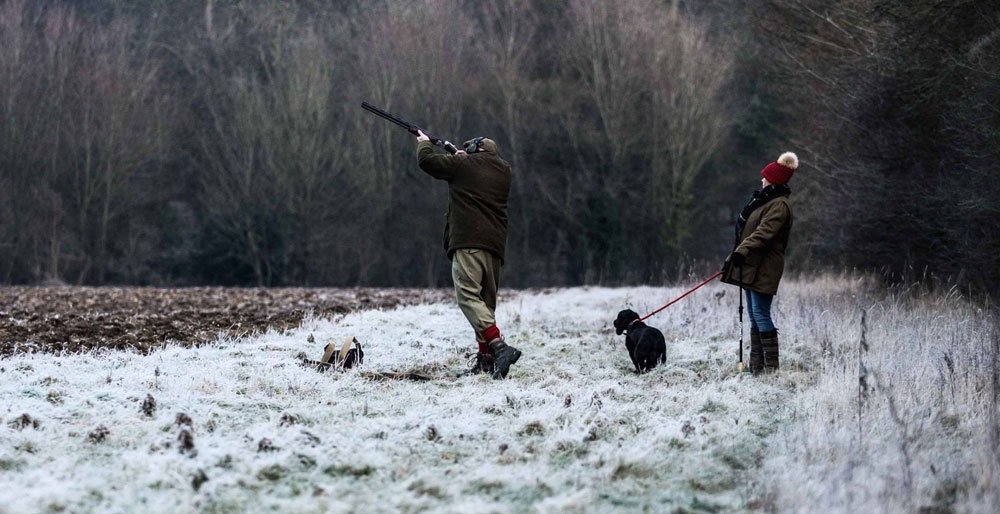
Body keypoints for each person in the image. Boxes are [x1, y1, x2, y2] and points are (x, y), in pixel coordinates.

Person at [415, 130, 521, 379]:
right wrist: (461, 157)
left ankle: (499, 347)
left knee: (468, 297)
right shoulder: (504, 171)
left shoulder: (464, 165)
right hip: (494, 247)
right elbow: (475, 170)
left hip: (469, 242)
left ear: (475, 151)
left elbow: (427, 162)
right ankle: (486, 361)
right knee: (485, 304)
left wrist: (423, 144)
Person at [721, 151, 798, 373]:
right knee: (754, 315)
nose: (762, 179)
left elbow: (764, 233)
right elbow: (748, 232)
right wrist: (736, 255)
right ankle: (757, 368)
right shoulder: (764, 201)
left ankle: (771, 369)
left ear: (773, 180)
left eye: (765, 177)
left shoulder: (779, 205)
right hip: (751, 265)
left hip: (766, 267)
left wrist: (742, 250)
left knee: (761, 314)